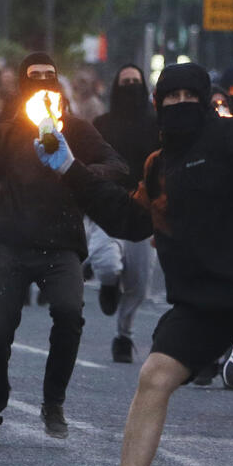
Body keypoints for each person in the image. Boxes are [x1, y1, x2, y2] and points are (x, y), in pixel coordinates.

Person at [38, 62, 233, 466]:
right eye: (171, 98)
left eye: (190, 97)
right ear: (157, 106)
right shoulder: (159, 166)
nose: (180, 105)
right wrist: (69, 170)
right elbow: (131, 218)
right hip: (204, 299)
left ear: (205, 103)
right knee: (154, 375)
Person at [0, 52, 127, 446]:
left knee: (68, 314)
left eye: (49, 76)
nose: (42, 83)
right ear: (24, 85)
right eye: (34, 77)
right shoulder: (8, 131)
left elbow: (117, 166)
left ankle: (53, 402)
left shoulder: (74, 129)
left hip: (61, 245)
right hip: (10, 242)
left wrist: (74, 167)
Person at [90, 64, 161, 363]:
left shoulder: (158, 124)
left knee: (139, 285)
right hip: (107, 205)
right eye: (125, 81)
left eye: (136, 81)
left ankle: (124, 335)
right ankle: (108, 284)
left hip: (144, 210)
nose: (131, 85)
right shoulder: (101, 124)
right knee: (104, 260)